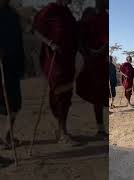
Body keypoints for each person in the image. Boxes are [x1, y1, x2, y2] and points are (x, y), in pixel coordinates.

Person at [34, 0, 78, 144]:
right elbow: (36, 30)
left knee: (66, 94)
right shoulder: (49, 10)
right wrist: (50, 43)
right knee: (59, 93)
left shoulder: (68, 12)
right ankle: (62, 133)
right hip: (54, 59)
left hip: (69, 58)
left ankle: (62, 130)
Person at [75, 0, 108, 138]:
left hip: (104, 58)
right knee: (97, 93)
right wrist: (88, 52)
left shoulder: (107, 17)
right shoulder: (87, 14)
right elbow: (80, 36)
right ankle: (100, 128)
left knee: (103, 92)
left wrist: (104, 50)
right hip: (91, 60)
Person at [0, 0, 25, 151]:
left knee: (15, 103)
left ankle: (8, 135)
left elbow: (18, 38)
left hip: (13, 65)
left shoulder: (13, 14)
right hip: (1, 65)